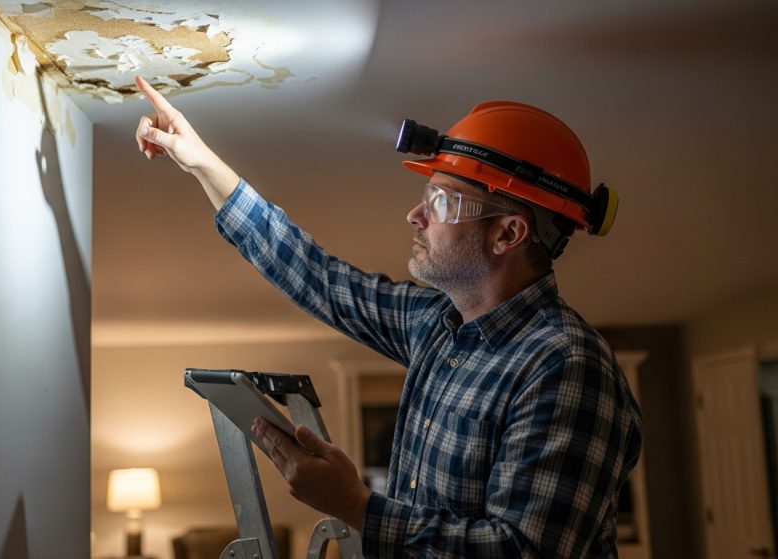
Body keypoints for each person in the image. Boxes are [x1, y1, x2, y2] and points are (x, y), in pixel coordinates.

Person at [133, 75, 643, 558]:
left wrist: (356, 505)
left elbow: (523, 550)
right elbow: (318, 278)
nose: (415, 216)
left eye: (441, 201)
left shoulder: (566, 367)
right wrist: (202, 163)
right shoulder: (437, 325)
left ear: (507, 234)